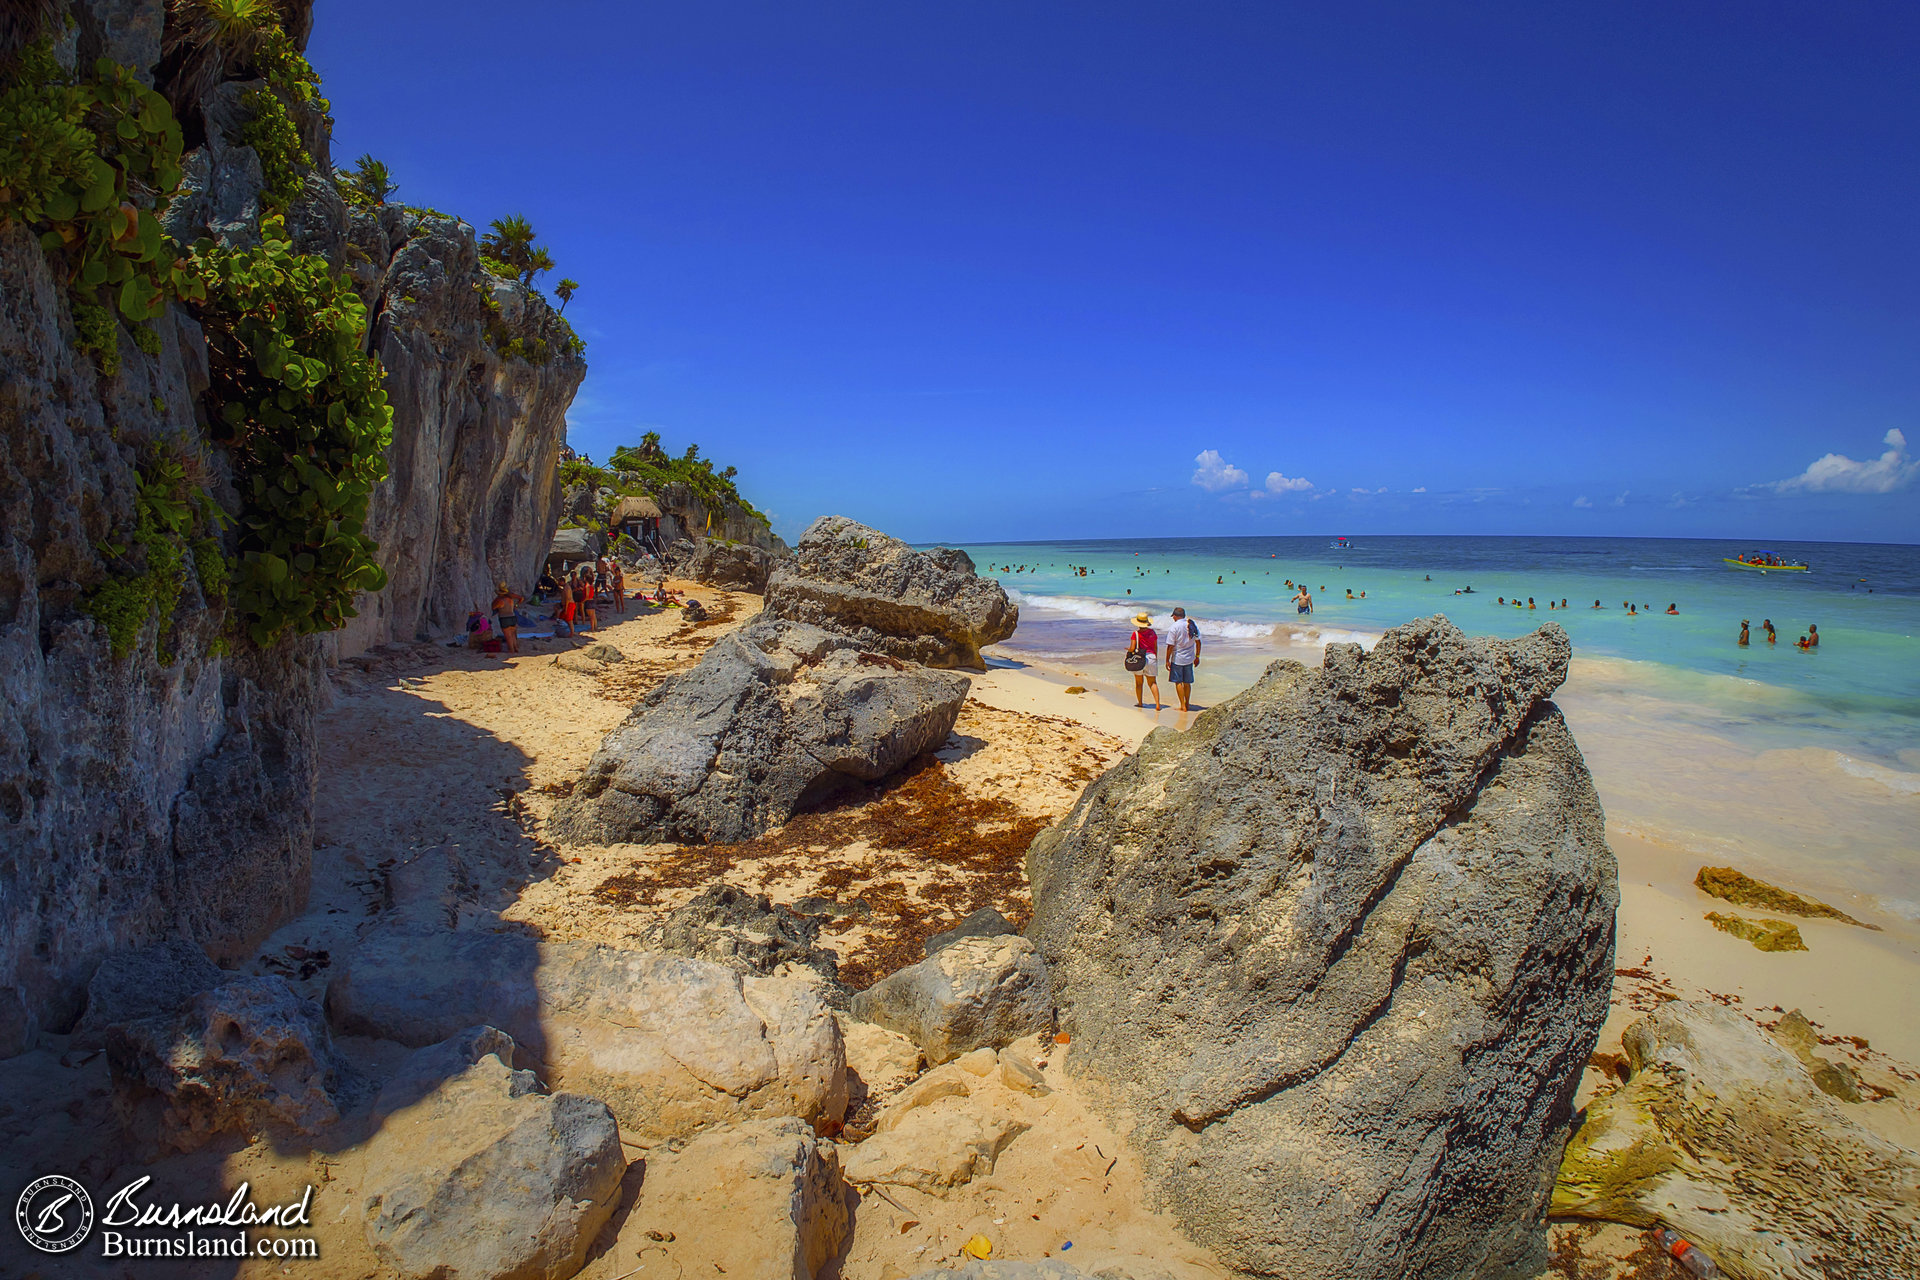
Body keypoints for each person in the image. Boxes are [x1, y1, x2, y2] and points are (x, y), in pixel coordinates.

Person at [1164, 607, 1201, 712]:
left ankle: (1182, 706)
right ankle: (1187, 703)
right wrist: (1197, 656)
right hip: (1189, 658)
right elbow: (1198, 642)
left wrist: (1167, 660)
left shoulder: (1174, 627)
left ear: (1175, 616)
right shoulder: (1192, 625)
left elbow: (1170, 646)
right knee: (1187, 682)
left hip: (1178, 659)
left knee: (1178, 682)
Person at [1126, 612, 1161, 711]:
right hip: (1151, 657)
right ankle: (1157, 704)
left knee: (1139, 682)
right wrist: (1155, 657)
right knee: (1152, 683)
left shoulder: (1135, 634)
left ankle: (1140, 703)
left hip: (1139, 658)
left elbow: (1133, 648)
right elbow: (1155, 647)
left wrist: (1128, 650)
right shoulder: (1152, 633)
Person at [492, 581, 525, 655]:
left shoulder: (500, 600)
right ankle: (515, 647)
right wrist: (516, 605)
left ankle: (511, 650)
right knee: (513, 634)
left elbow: (493, 607)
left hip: (504, 618)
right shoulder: (510, 599)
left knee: (508, 636)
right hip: (512, 616)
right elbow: (521, 598)